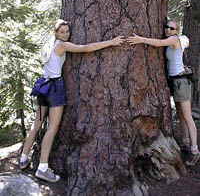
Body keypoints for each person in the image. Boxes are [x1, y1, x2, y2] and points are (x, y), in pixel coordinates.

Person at [19, 19, 124, 182]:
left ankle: (23, 158)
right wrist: (111, 42)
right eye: (62, 32)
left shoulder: (50, 43)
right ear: (56, 33)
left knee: (37, 124)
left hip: (43, 86)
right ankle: (42, 168)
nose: (65, 34)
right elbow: (86, 48)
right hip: (54, 88)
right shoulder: (62, 45)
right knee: (52, 128)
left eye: (67, 31)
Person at [127, 20, 200, 165]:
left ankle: (195, 150)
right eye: (166, 27)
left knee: (187, 116)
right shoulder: (174, 39)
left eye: (171, 28)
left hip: (182, 82)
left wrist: (140, 39)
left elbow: (158, 43)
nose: (167, 29)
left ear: (176, 30)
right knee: (180, 115)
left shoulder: (173, 39)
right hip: (175, 81)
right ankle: (185, 144)